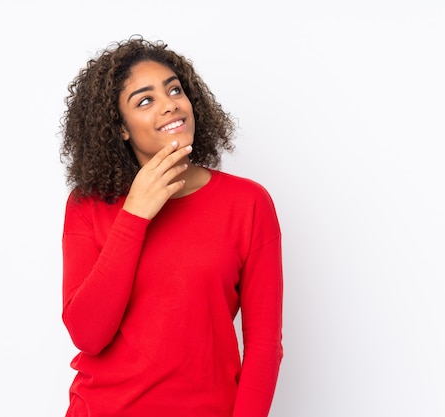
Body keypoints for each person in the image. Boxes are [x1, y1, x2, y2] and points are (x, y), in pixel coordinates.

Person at [59, 35, 283, 417]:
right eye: (145, 100)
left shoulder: (247, 203)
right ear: (121, 128)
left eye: (174, 90)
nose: (170, 105)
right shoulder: (88, 205)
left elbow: (264, 347)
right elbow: (88, 335)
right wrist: (135, 215)